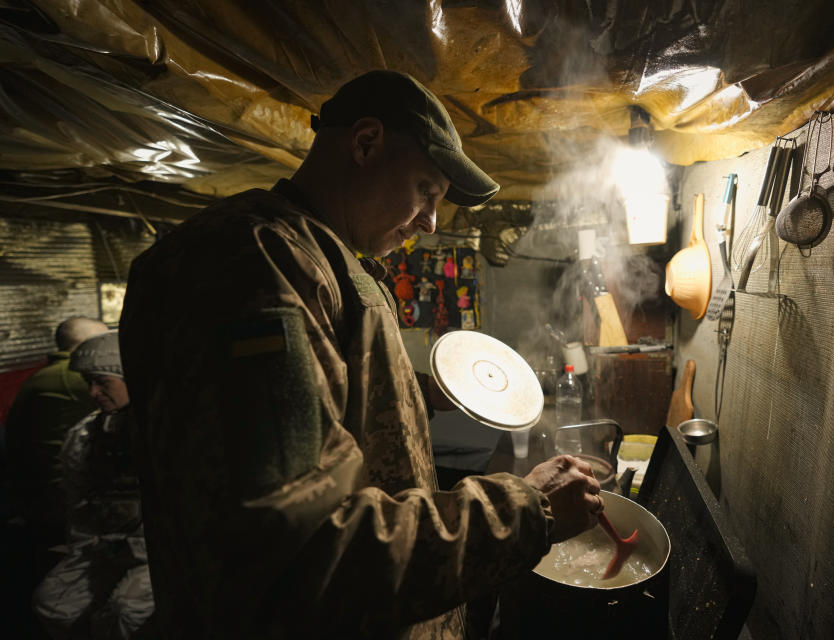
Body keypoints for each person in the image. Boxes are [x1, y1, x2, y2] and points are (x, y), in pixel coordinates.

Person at [118, 70, 603, 638]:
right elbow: (307, 554)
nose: (430, 222)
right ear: (366, 143)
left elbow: (318, 409)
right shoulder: (256, 262)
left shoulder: (319, 254)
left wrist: (415, 392)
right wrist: (528, 509)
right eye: (427, 191)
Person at [32, 331, 154, 639]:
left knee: (125, 610)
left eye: (102, 382)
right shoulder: (84, 436)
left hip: (157, 551)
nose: (93, 392)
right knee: (52, 605)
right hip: (103, 545)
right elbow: (78, 502)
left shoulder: (165, 432)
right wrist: (88, 548)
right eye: (88, 383)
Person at [5, 317, 108, 577]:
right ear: (87, 346)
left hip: (30, 497)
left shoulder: (51, 373)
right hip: (55, 506)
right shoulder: (75, 376)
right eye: (105, 342)